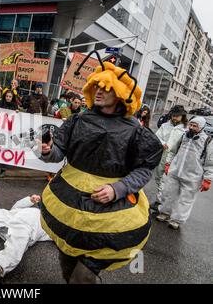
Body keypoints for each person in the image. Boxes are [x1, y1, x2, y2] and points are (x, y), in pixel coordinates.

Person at [39, 54, 163, 284]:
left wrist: (118, 188)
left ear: (120, 94)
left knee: (83, 276)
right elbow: (58, 153)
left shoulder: (135, 131)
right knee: (67, 265)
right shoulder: (78, 120)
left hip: (109, 213)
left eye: (105, 87)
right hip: (70, 207)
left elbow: (144, 169)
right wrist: (47, 152)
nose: (98, 91)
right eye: (95, 86)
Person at [156, 116, 213, 230]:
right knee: (168, 193)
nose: (191, 127)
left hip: (193, 176)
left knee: (186, 200)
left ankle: (176, 220)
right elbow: (172, 151)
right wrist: (168, 164)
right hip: (175, 171)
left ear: (201, 127)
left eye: (195, 126)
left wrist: (208, 179)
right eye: (190, 124)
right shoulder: (183, 136)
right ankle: (164, 213)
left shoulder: (207, 141)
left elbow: (210, 161)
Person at [151, 105, 187, 211]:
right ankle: (160, 200)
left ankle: (160, 202)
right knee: (158, 177)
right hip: (161, 154)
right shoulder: (165, 126)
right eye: (173, 115)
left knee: (165, 180)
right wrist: (162, 143)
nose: (174, 118)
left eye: (177, 116)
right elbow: (156, 136)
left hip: (173, 158)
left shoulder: (185, 129)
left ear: (182, 116)